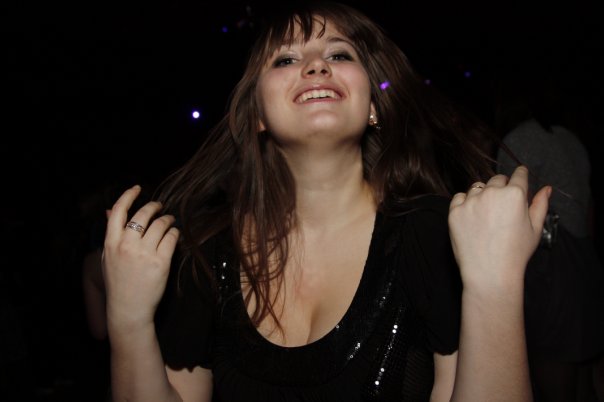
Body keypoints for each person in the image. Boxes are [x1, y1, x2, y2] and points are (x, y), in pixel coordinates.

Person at [101, 3, 551, 401]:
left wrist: (495, 286)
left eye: (339, 55)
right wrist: (128, 317)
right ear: (257, 115)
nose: (316, 65)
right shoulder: (207, 254)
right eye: (286, 59)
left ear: (372, 106)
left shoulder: (431, 236)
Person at [496, 75, 604, 402]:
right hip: (584, 253)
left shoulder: (519, 139)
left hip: (551, 258)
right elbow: (589, 202)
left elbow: (511, 207)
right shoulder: (569, 137)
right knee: (581, 361)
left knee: (551, 356)